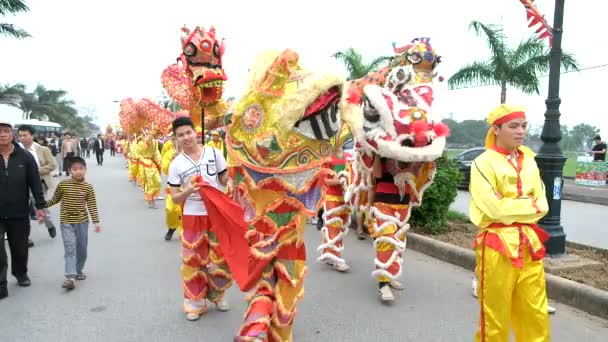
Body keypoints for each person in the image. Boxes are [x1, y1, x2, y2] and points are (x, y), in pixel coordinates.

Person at [470, 104, 551, 341]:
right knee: (495, 315)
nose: (520, 131)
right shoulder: (483, 163)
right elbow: (494, 210)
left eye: (524, 126)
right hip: (497, 245)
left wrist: (510, 205)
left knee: (535, 312)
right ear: (496, 129)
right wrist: (528, 205)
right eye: (513, 126)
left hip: (530, 244)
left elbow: (543, 205)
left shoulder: (530, 162)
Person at [167, 117, 231, 321]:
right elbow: (175, 197)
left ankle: (217, 294)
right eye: (180, 135)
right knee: (194, 259)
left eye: (188, 132)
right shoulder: (176, 164)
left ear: (195, 132)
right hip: (193, 215)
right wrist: (188, 190)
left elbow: (224, 179)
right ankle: (194, 302)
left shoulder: (214, 152)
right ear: (175, 139)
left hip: (217, 212)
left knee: (220, 257)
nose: (186, 137)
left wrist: (236, 169)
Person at [0, 120, 46, 299]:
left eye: (6, 131)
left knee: (19, 248)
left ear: (13, 134)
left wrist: (41, 207)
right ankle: (1, 284)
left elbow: (35, 183)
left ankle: (20, 273)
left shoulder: (25, 157)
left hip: (19, 212)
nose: (2, 134)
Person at [46, 156, 101, 290]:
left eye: (81, 169)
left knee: (82, 250)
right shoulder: (63, 184)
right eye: (75, 169)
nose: (78, 171)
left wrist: (96, 221)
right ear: (69, 170)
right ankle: (70, 277)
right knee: (70, 248)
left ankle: (78, 270)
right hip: (66, 222)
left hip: (82, 222)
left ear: (85, 170)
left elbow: (92, 205)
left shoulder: (88, 187)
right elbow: (55, 199)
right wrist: (42, 205)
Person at [18, 125, 58, 240]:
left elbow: (52, 165)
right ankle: (25, 237)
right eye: (20, 136)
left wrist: (34, 171)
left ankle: (49, 225)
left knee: (40, 206)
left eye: (25, 135)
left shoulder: (42, 149)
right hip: (20, 184)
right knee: (22, 209)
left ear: (32, 135)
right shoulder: (15, 150)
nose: (22, 138)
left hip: (39, 183)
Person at [317, 146, 352, 272]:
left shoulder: (349, 157)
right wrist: (340, 181)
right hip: (331, 197)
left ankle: (328, 252)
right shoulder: (327, 158)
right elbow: (325, 179)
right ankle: (337, 259)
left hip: (345, 198)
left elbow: (354, 175)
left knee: (341, 228)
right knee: (334, 226)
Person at [161, 134, 182, 240]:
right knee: (170, 209)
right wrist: (172, 161)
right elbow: (165, 169)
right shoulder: (169, 154)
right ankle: (172, 227)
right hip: (173, 186)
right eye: (173, 139)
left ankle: (184, 232)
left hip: (186, 186)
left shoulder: (187, 152)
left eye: (177, 138)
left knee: (184, 210)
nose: (175, 141)